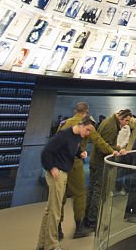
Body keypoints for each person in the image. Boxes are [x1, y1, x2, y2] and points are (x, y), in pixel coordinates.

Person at [36, 117, 93, 250]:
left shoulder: (77, 137)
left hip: (63, 172)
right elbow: (46, 152)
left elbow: (71, 149)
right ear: (81, 125)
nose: (88, 133)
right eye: (88, 129)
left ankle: (42, 244)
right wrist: (51, 167)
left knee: (50, 210)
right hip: (57, 174)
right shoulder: (63, 135)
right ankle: (52, 245)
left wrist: (80, 154)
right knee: (55, 211)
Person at [84, 109, 133, 231]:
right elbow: (104, 145)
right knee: (98, 191)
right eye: (126, 120)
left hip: (95, 161)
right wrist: (117, 149)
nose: (126, 124)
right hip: (100, 163)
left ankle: (87, 217)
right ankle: (92, 219)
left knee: (92, 190)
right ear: (121, 117)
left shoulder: (109, 122)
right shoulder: (111, 126)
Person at [54, 102, 90, 238]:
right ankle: (79, 227)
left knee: (60, 197)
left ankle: (57, 229)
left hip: (60, 162)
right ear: (86, 111)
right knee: (80, 194)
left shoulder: (64, 123)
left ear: (76, 110)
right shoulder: (85, 124)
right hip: (75, 162)